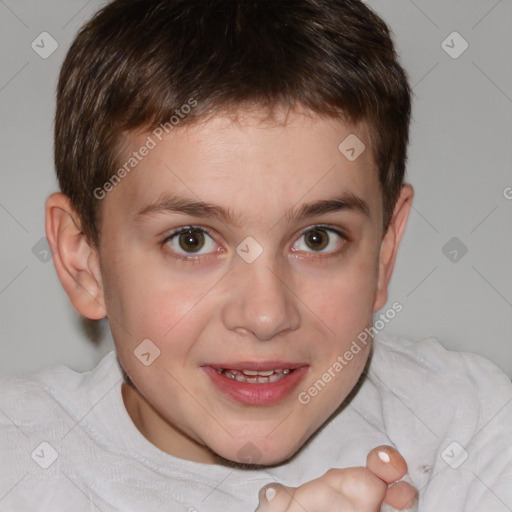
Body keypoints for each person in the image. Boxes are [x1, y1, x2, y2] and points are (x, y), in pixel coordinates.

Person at [1, 1, 510, 511]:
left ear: (383, 253)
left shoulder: (465, 429)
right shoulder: (18, 462)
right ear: (83, 261)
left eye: (317, 238)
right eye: (192, 240)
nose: (266, 315)